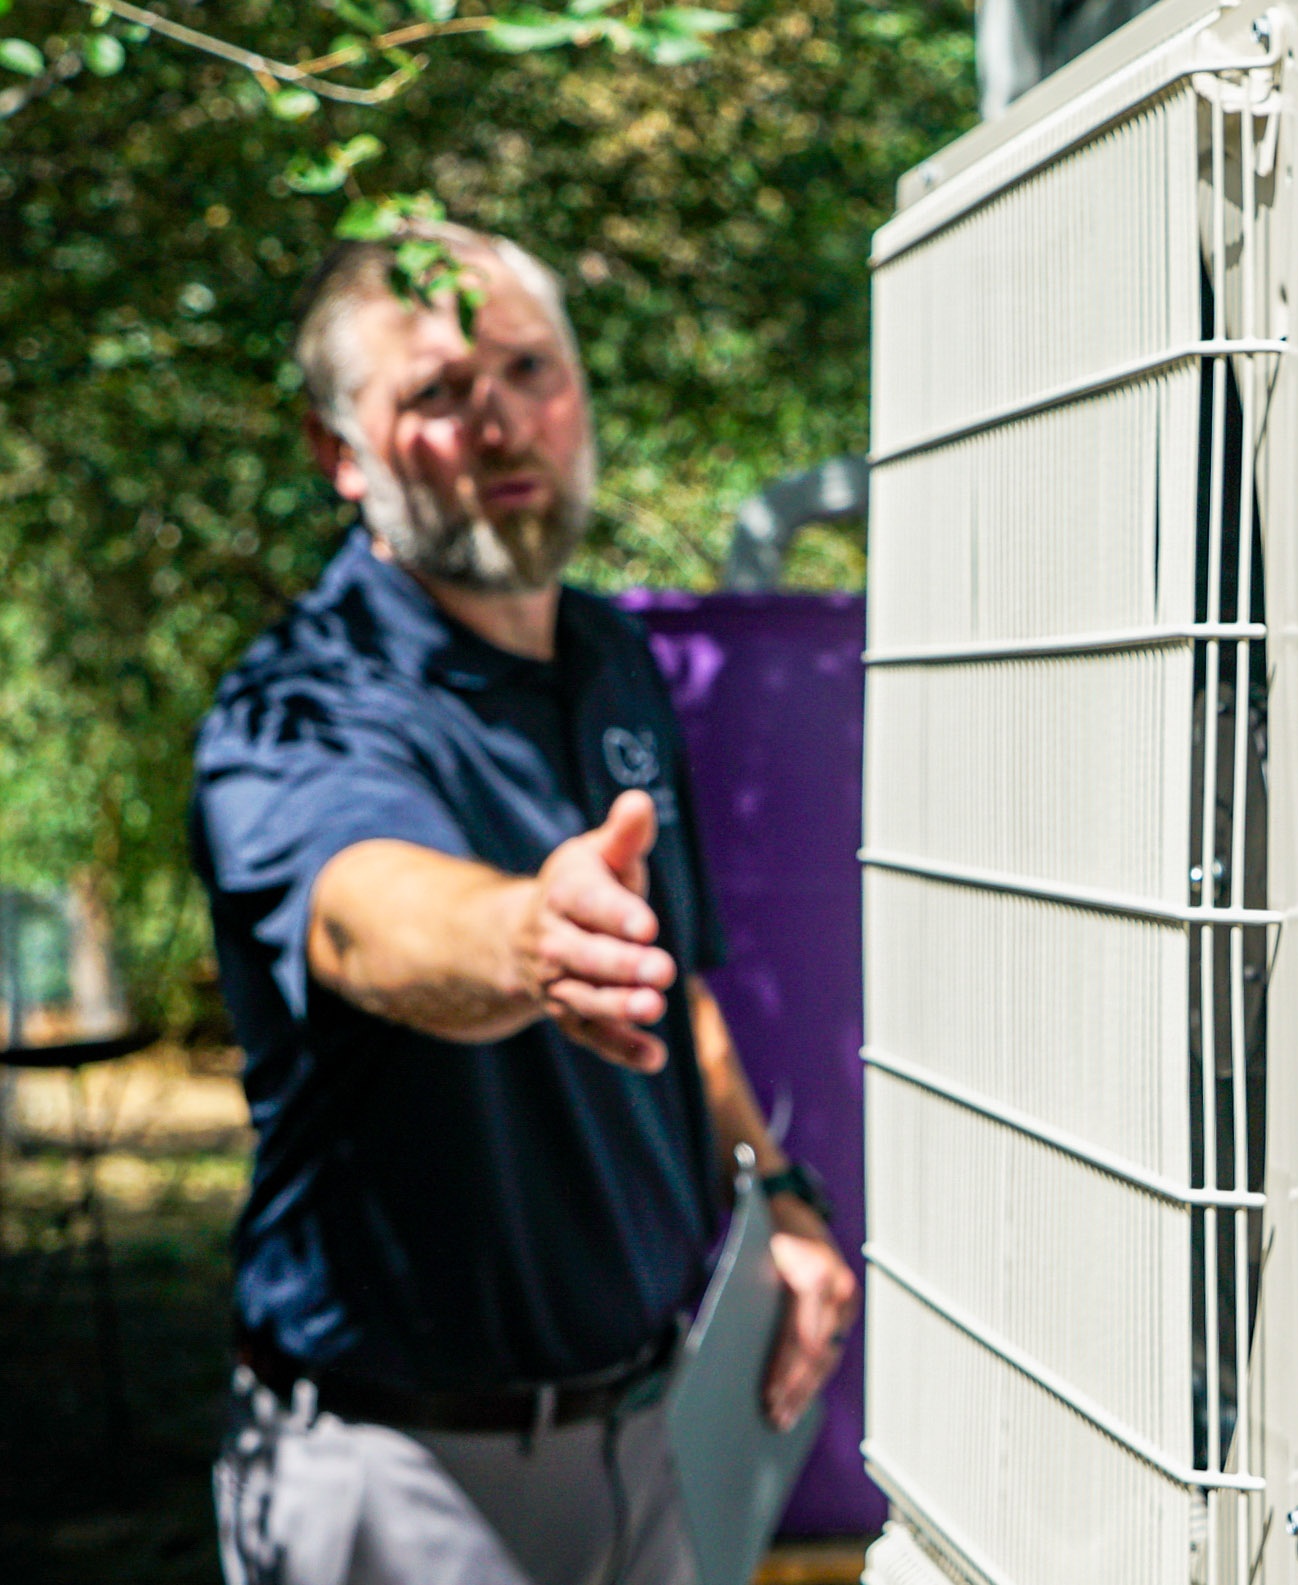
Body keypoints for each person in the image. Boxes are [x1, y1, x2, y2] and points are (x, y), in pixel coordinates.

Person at [191, 223, 858, 1585]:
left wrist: (778, 1197)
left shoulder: (614, 655)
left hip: (652, 1432)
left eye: (528, 370)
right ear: (342, 454)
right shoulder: (300, 700)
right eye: (435, 394)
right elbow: (359, 916)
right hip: (402, 1473)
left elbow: (683, 987)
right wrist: (523, 937)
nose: (499, 421)